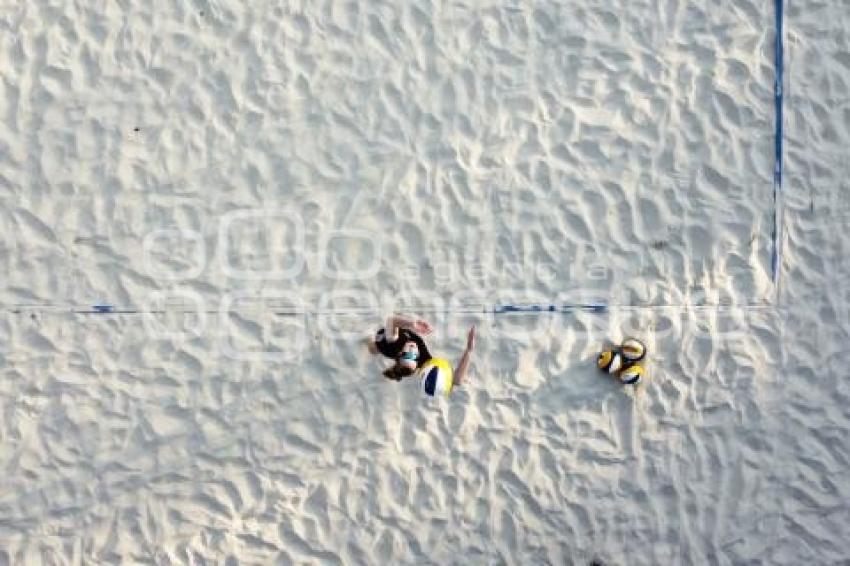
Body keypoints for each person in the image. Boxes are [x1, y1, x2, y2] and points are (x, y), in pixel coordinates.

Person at [368, 314, 476, 386]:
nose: (413, 350)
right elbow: (457, 380)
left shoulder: (393, 342)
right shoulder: (422, 359)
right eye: (414, 357)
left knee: (374, 347)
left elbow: (391, 320)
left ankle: (368, 341)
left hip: (383, 342)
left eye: (407, 355)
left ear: (401, 354)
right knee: (374, 348)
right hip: (389, 342)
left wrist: (411, 324)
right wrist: (469, 349)